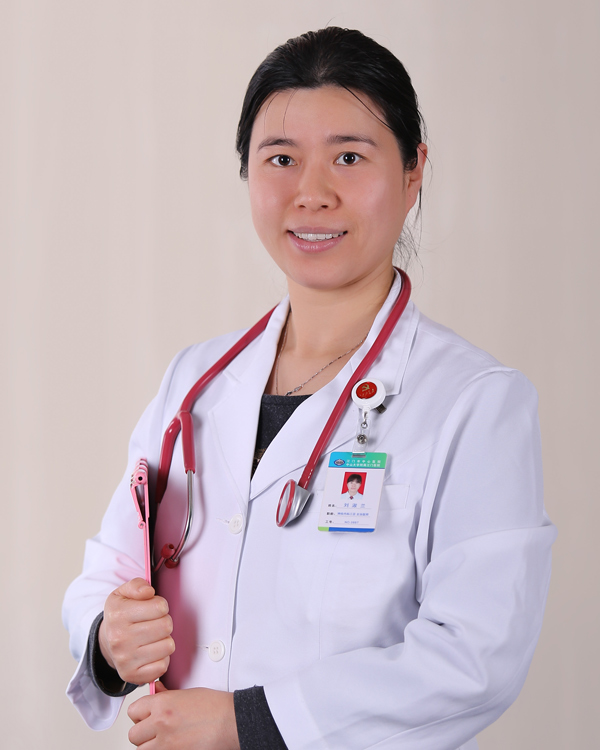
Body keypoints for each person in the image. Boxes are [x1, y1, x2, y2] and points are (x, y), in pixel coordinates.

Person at [63, 27, 556, 750]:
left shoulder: (475, 401)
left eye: (349, 158)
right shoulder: (194, 384)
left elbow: (476, 656)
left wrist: (249, 723)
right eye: (281, 159)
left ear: (414, 172)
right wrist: (109, 637)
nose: (312, 193)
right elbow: (109, 566)